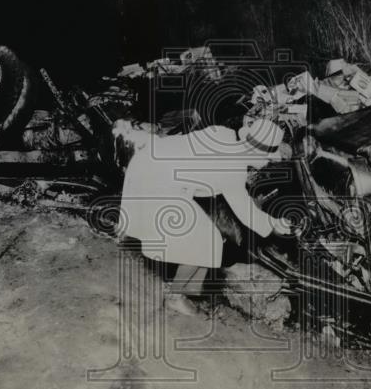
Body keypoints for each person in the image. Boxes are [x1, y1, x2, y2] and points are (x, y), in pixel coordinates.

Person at [118, 116, 293, 315]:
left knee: (207, 238)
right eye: (266, 159)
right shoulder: (233, 166)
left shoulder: (223, 132)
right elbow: (245, 211)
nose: (266, 163)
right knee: (205, 239)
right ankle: (175, 297)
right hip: (157, 181)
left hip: (150, 161)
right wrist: (274, 224)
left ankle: (185, 290)